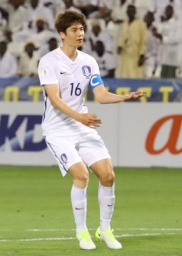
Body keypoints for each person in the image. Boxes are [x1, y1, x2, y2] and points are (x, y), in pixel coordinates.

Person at [37, 10, 146, 251]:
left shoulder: (89, 62)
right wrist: (81, 117)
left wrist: (125, 96)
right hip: (57, 130)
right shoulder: (49, 62)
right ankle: (81, 231)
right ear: (61, 34)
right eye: (74, 30)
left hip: (81, 125)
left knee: (108, 175)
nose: (80, 34)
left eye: (81, 29)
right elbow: (54, 99)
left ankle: (104, 229)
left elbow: (101, 94)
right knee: (82, 176)